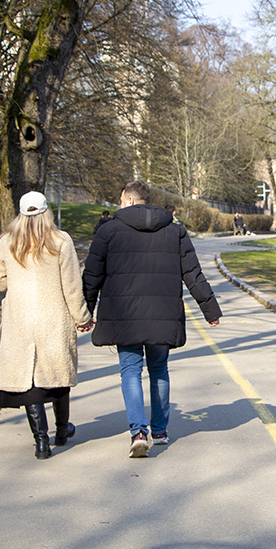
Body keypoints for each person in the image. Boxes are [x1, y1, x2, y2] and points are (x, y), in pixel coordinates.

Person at [82, 180, 222, 458]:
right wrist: (211, 309)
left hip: (124, 316)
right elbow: (193, 274)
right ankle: (159, 431)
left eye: (121, 200)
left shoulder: (108, 231)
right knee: (159, 370)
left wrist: (85, 311)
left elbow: (92, 275)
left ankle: (138, 431)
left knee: (130, 371)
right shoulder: (176, 232)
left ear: (130, 201)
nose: (120, 205)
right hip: (162, 314)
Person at [0, 191, 93, 460]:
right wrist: (83, 317)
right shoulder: (60, 241)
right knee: (56, 375)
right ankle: (61, 430)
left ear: (21, 213)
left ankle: (40, 442)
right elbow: (72, 286)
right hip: (53, 318)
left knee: (29, 380)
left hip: (20, 320)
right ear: (47, 211)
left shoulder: (6, 242)